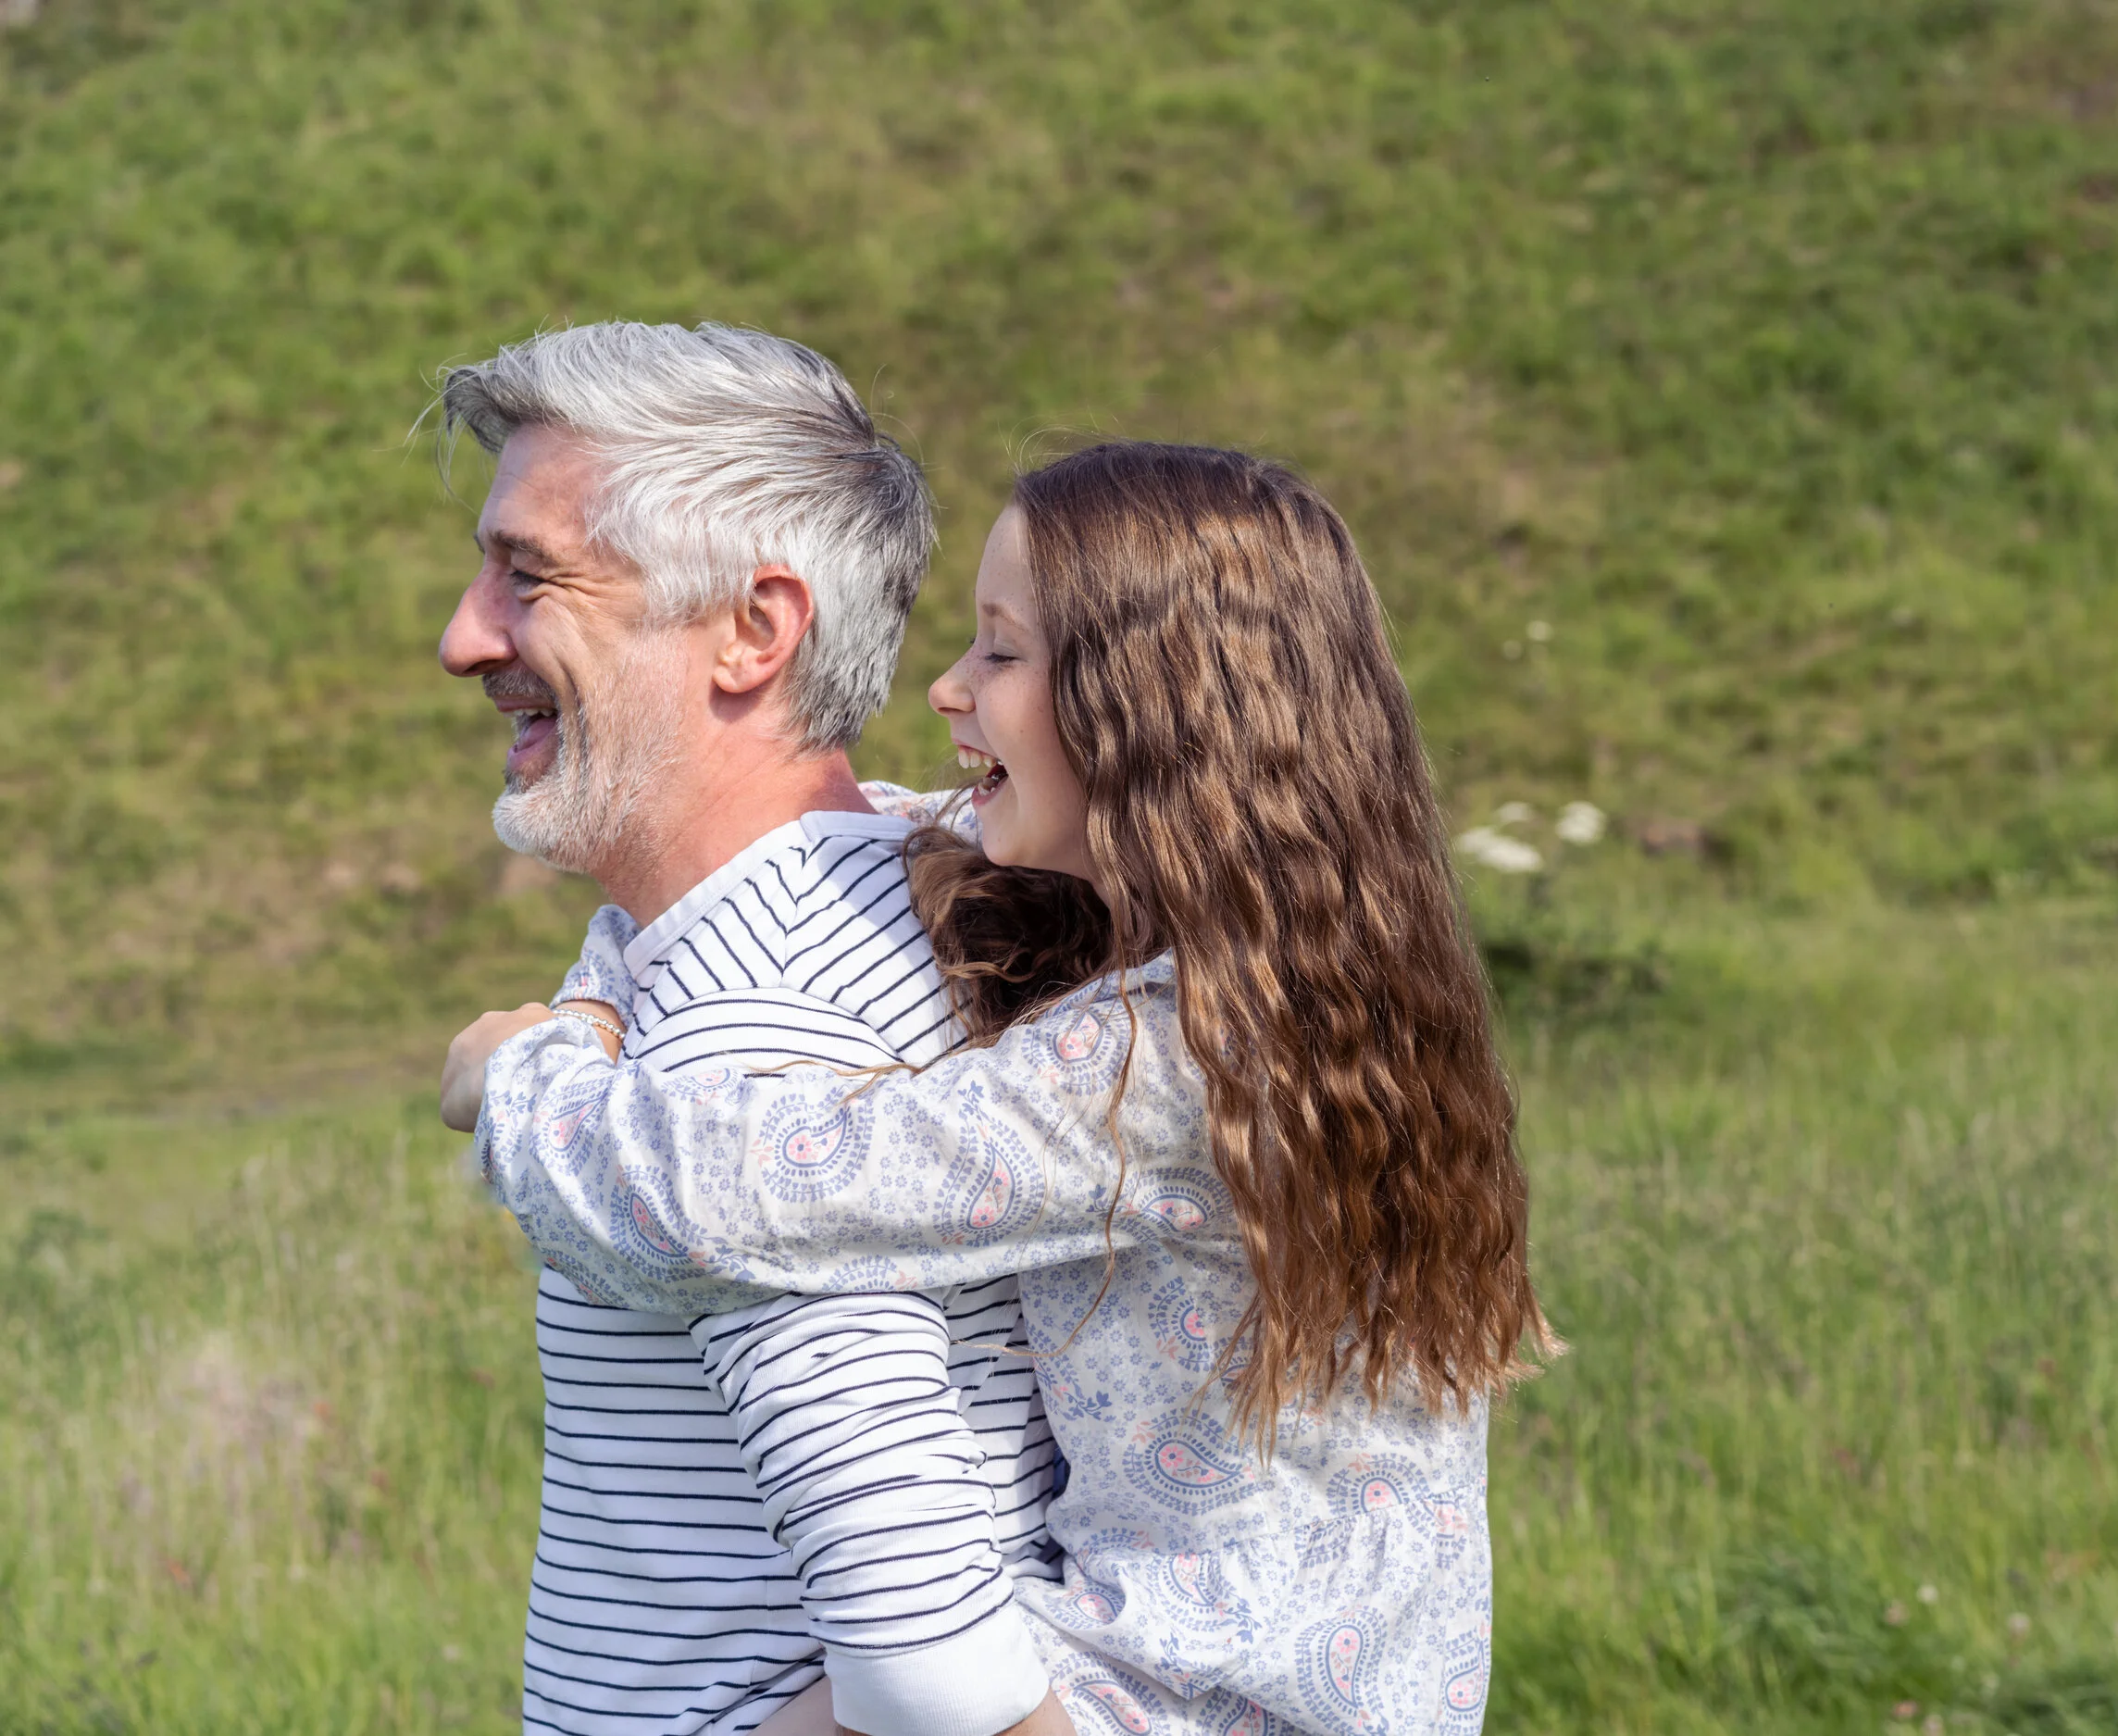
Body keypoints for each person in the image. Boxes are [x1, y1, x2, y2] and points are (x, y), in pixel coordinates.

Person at [444, 442, 1553, 1733]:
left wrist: (528, 1071)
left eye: (1002, 653)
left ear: (1154, 707)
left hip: (1173, 1701)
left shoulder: (1159, 1068)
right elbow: (849, 835)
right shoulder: (1309, 977)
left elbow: (763, 1200)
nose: (947, 687)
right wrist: (635, 935)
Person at [431, 320, 1074, 1736]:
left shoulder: (749, 1055)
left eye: (529, 575)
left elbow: (940, 1688)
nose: (463, 635)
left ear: (754, 632)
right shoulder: (914, 866)